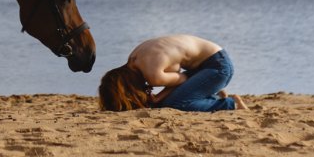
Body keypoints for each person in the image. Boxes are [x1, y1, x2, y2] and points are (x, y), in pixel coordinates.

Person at [98, 34, 246, 112]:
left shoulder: (153, 75)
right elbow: (182, 76)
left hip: (218, 68)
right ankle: (214, 95)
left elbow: (182, 78)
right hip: (212, 61)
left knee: (176, 104)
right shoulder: (134, 58)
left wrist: (158, 98)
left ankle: (231, 104)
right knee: (166, 102)